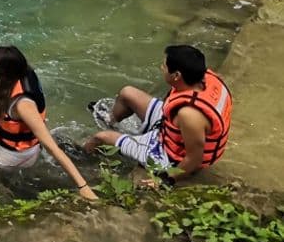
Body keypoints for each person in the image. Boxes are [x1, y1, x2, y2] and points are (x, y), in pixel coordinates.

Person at [84, 44, 232, 185]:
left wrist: (166, 180)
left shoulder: (189, 115)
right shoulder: (204, 77)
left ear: (176, 75)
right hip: (170, 130)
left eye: (164, 66)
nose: (161, 68)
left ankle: (83, 158)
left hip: (169, 155)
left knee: (101, 137)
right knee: (127, 93)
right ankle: (111, 120)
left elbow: (194, 158)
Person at [0, 45, 98, 200]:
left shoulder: (23, 105)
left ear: (2, 73)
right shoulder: (23, 74)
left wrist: (83, 187)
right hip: (21, 150)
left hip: (13, 157)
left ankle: (5, 190)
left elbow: (52, 148)